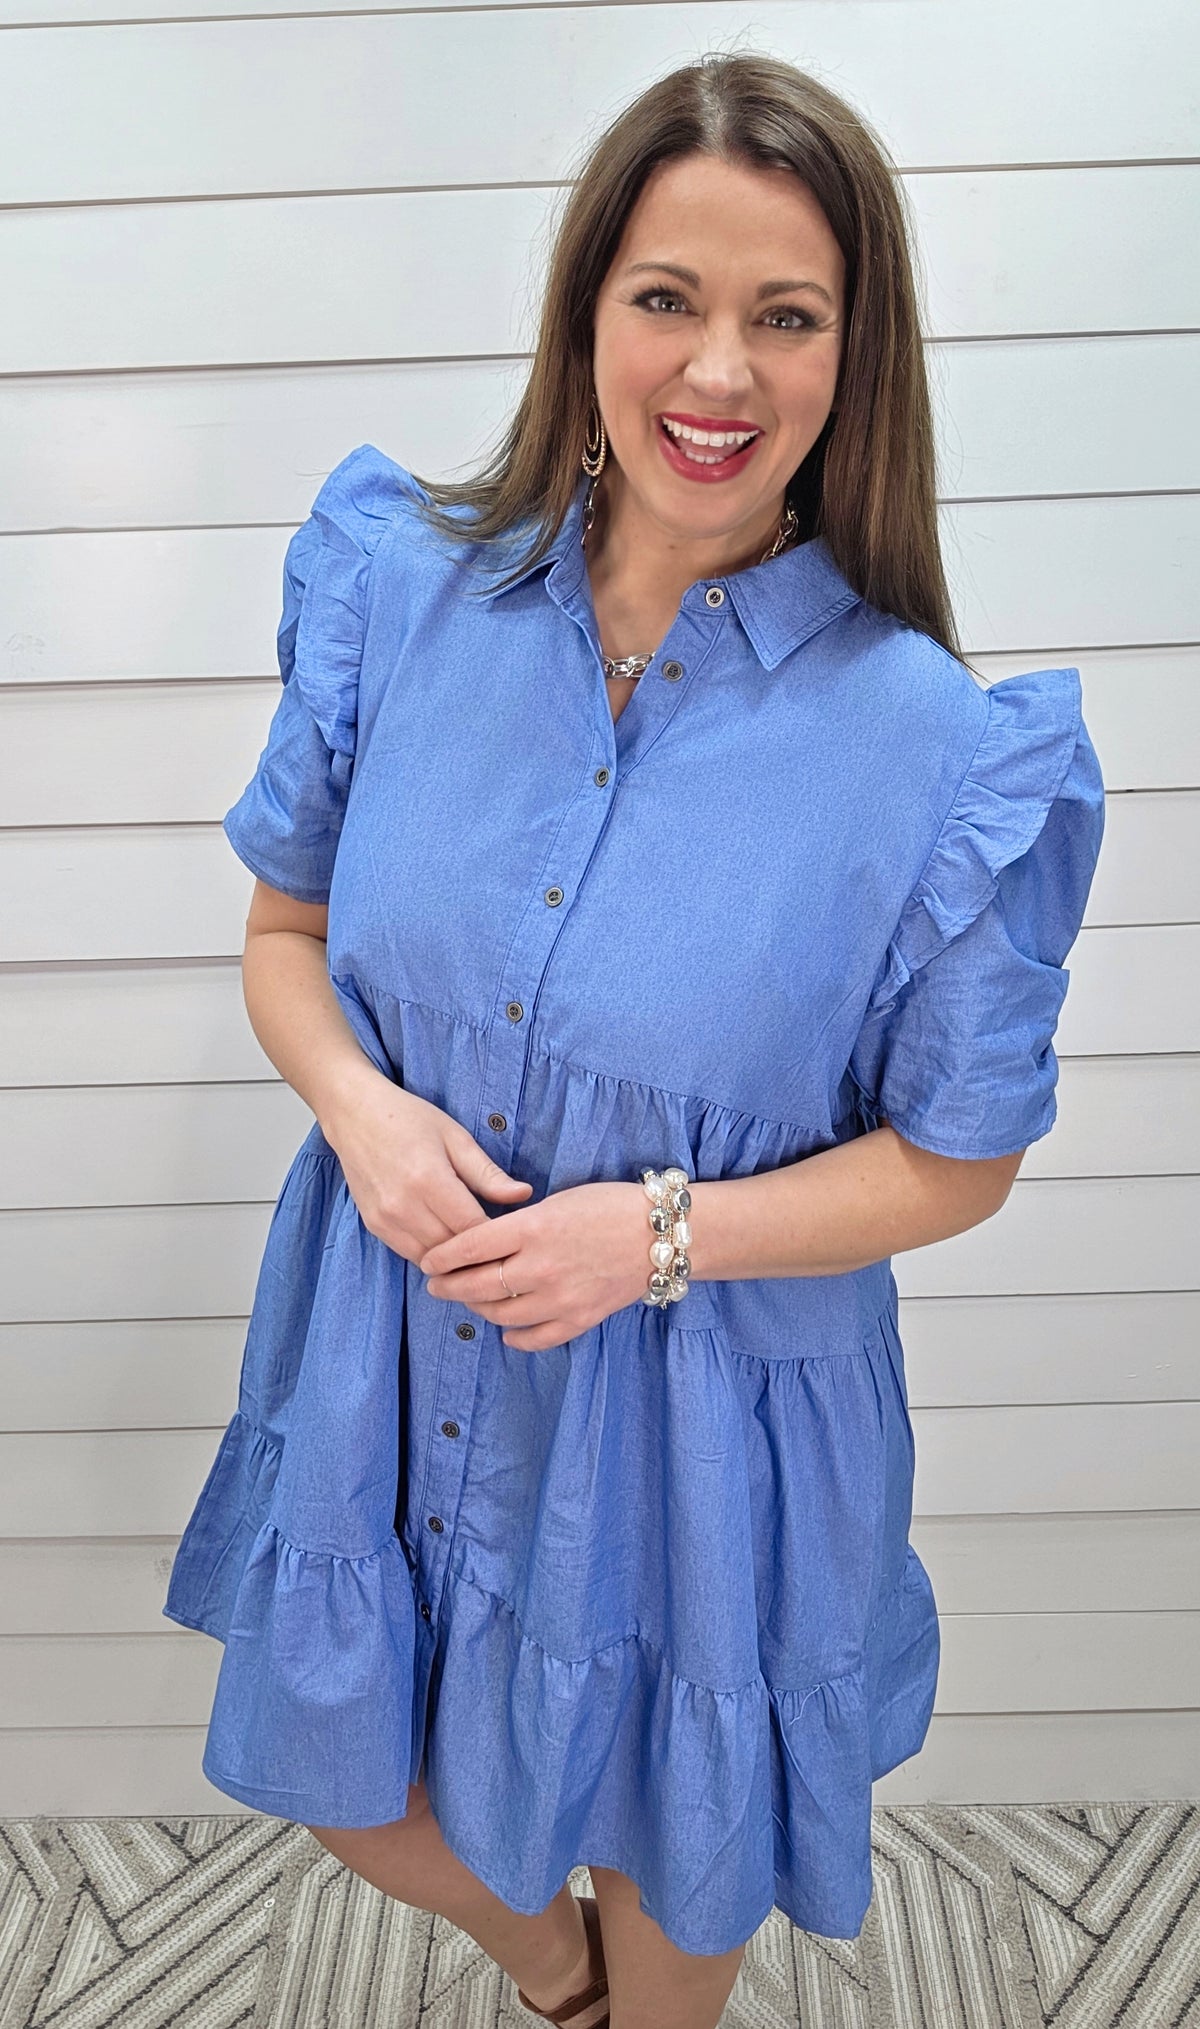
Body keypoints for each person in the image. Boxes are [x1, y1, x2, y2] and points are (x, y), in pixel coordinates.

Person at [163, 50, 1106, 2029]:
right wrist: (359, 1110)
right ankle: (554, 1975)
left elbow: (962, 1154)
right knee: (364, 1775)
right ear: (588, 307)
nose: (720, 371)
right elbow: (287, 928)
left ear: (858, 360)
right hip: (391, 1334)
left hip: (709, 1414)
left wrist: (650, 1236)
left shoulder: (932, 742)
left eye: (788, 316)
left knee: (676, 1838)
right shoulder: (410, 591)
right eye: (669, 297)